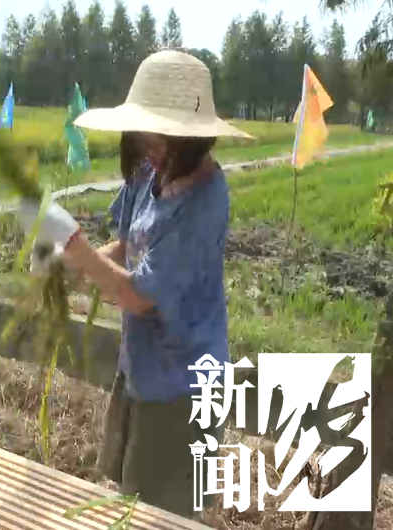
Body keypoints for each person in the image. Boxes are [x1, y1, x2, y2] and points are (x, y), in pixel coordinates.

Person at [19, 50, 253, 517]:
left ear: (194, 137)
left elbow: (138, 295)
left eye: (159, 135)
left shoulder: (206, 199)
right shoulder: (151, 173)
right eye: (144, 132)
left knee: (163, 514)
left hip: (183, 385)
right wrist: (64, 266)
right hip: (143, 368)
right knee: (135, 501)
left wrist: (76, 246)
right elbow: (125, 246)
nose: (148, 144)